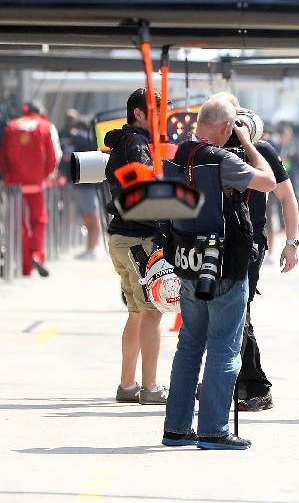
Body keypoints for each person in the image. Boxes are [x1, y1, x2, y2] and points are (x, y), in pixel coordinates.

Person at [161, 95, 275, 449]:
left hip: (188, 261)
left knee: (189, 346)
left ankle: (176, 428)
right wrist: (246, 142)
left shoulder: (180, 155)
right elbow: (268, 181)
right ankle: (213, 429)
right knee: (225, 348)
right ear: (227, 127)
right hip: (224, 265)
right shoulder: (224, 159)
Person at [212, 92, 299, 412]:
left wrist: (292, 244)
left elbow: (287, 199)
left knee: (239, 314)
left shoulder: (261, 152)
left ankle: (256, 385)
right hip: (214, 242)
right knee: (222, 314)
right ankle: (233, 381)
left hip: (247, 246)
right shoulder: (211, 151)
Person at [102, 89, 169, 404]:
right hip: (139, 239)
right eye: (157, 111)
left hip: (122, 237)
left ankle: (128, 385)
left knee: (137, 313)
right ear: (139, 114)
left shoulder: (125, 143)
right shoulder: (137, 145)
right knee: (152, 312)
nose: (163, 117)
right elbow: (142, 193)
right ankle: (150, 388)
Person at [0, 101, 61, 277]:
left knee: (18, 225)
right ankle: (36, 254)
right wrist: (46, 175)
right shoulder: (45, 126)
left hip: (14, 184)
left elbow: (3, 154)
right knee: (39, 221)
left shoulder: (12, 125)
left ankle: (25, 266)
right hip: (35, 183)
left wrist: (6, 176)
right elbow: (54, 155)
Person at [68, 120, 102, 259]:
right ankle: (89, 248)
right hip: (82, 185)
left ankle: (92, 249)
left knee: (92, 219)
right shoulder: (84, 140)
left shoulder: (87, 139)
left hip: (88, 186)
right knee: (87, 220)